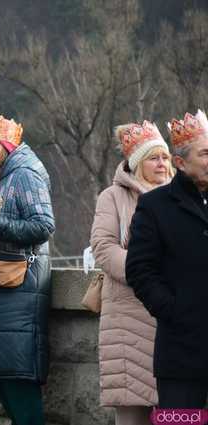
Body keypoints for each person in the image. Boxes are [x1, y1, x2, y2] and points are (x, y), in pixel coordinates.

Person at [91, 121, 173, 424]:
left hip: (173, 316)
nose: (162, 164)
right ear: (138, 164)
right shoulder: (112, 197)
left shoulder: (183, 196)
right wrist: (146, 273)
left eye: (165, 157)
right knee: (132, 412)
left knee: (177, 410)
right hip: (128, 319)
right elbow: (103, 247)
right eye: (154, 158)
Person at [0, 114, 54, 424]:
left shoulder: (23, 175)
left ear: (8, 146)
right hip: (4, 292)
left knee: (17, 379)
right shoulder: (2, 178)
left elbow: (43, 225)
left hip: (19, 292)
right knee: (7, 378)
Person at [126, 110, 208, 408]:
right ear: (181, 163)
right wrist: (173, 310)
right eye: (205, 154)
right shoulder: (155, 206)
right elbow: (139, 269)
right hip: (180, 355)